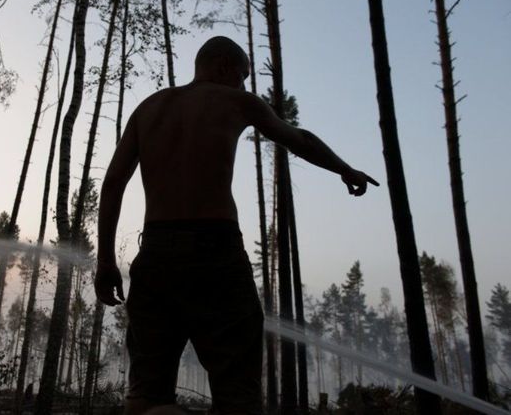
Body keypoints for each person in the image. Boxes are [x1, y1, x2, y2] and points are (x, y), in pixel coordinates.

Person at [95, 36, 379, 415]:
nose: (245, 84)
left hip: (157, 254)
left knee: (145, 394)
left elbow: (113, 183)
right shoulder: (235, 100)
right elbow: (299, 140)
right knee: (237, 393)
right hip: (216, 252)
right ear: (223, 67)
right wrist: (344, 168)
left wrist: (106, 261)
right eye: (243, 75)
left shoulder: (148, 108)